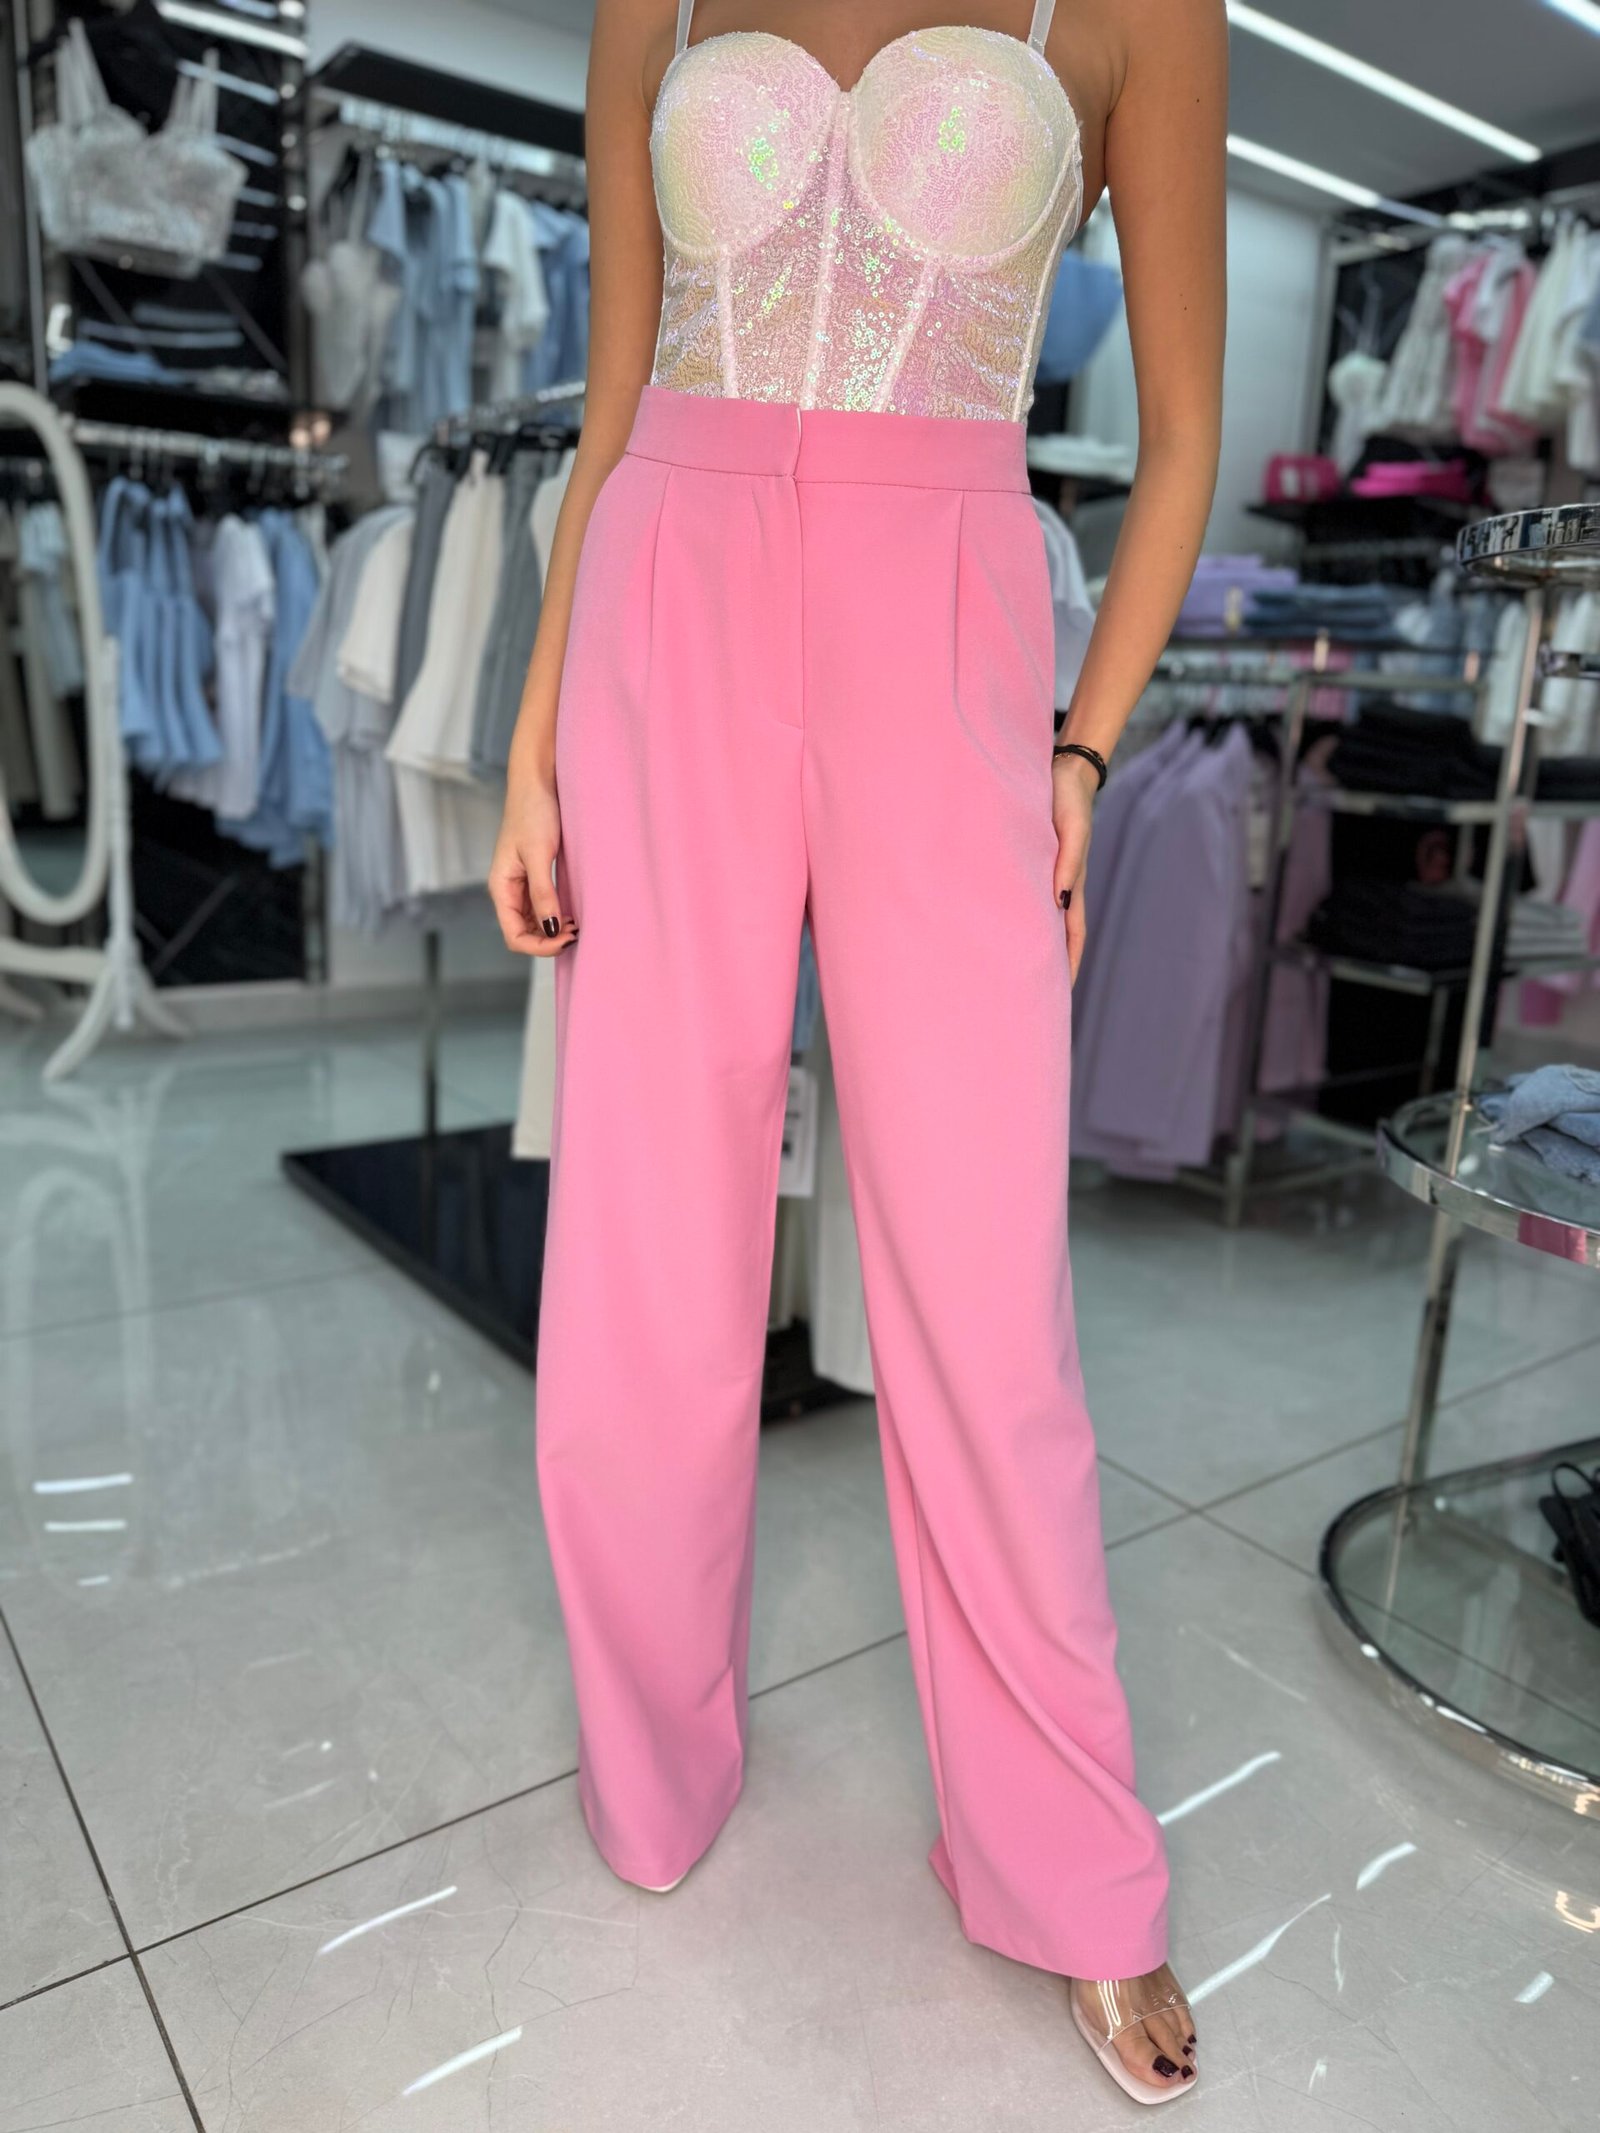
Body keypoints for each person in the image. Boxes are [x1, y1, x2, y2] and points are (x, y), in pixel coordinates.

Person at [489, 0, 1225, 2103]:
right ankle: (650, 1761)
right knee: (646, 1235)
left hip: (951, 616)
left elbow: (1181, 436)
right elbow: (615, 397)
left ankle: (1067, 1858)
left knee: (982, 1282)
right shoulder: (652, 1)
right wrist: (535, 732)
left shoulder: (1139, 14)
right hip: (669, 587)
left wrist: (1083, 746)